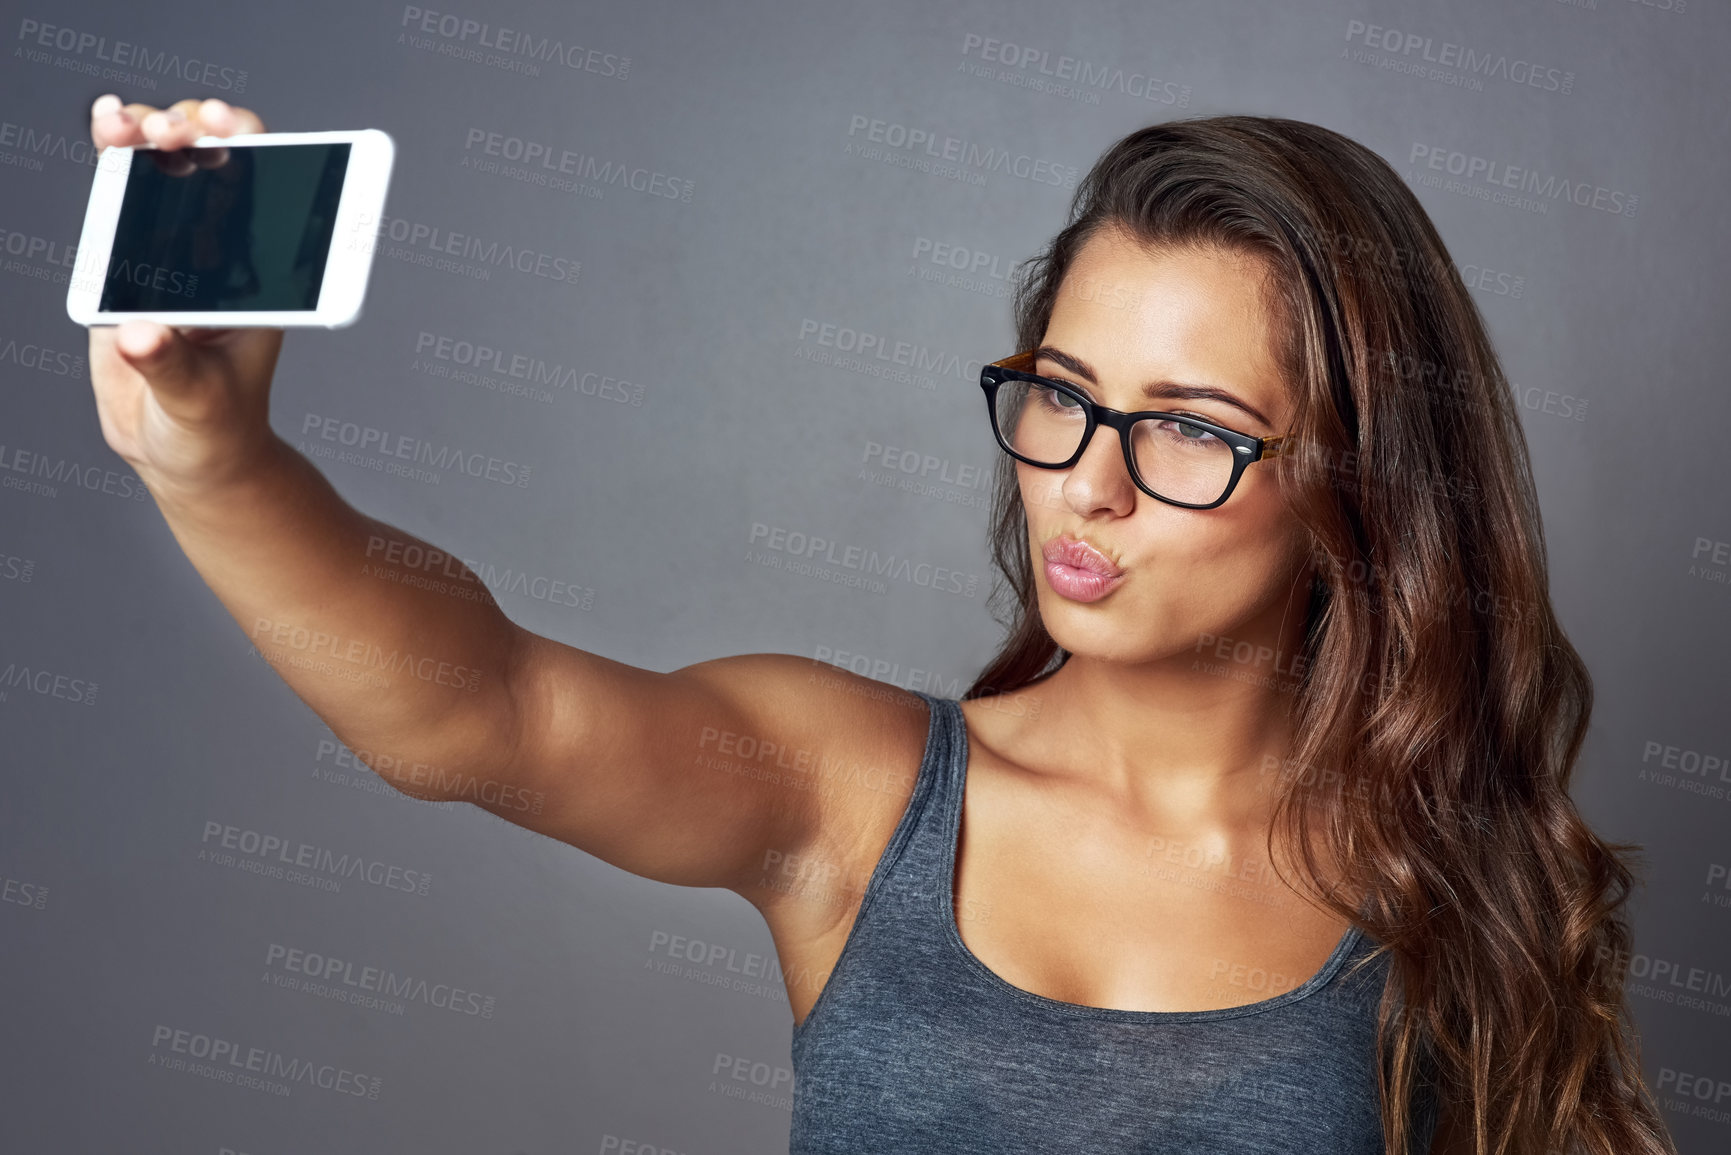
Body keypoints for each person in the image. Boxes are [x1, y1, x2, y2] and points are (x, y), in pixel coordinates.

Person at [84, 95, 1676, 1155]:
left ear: (1355, 485)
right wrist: (218, 460)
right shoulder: (858, 793)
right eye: (1063, 397)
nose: (1090, 489)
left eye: (1189, 429)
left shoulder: (1448, 879)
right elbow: (476, 710)